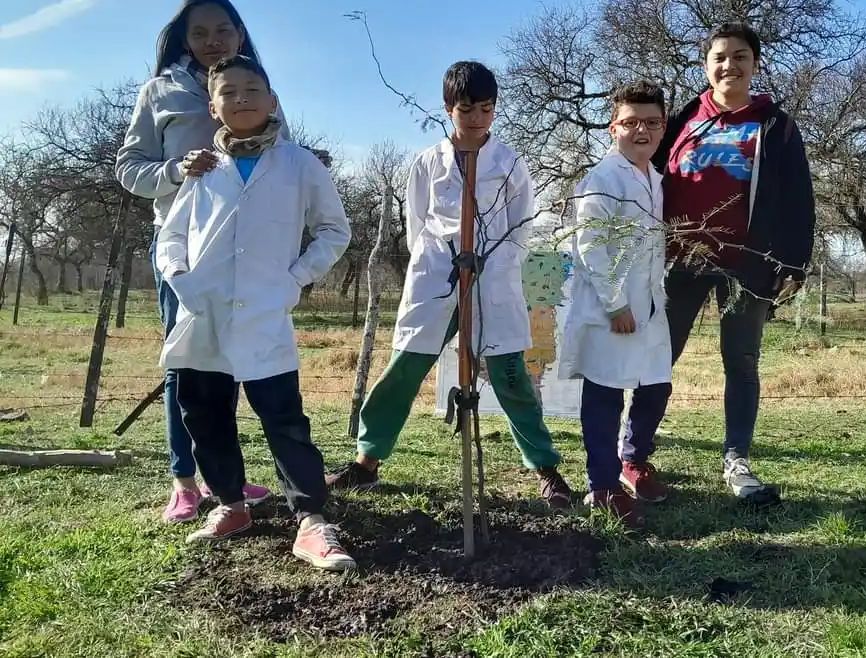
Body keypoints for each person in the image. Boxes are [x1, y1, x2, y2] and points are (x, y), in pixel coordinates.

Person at [326, 61, 573, 508]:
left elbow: (521, 225)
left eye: (486, 108)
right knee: (404, 368)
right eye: (466, 108)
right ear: (448, 109)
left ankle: (544, 467)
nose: (477, 117)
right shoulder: (427, 164)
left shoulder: (509, 162)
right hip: (437, 278)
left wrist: (490, 263)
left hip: (493, 280)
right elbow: (418, 223)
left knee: (511, 375)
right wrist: (444, 259)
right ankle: (367, 462)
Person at [156, 54, 355, 571]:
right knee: (204, 415)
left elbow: (335, 230)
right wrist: (180, 279)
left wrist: (294, 279)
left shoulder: (298, 163)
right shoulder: (203, 167)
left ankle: (311, 521)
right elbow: (171, 235)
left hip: (266, 311)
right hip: (203, 314)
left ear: (273, 102)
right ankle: (230, 504)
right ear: (214, 108)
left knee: (284, 418)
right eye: (228, 92)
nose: (240, 98)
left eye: (251, 89)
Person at [116, 0, 287, 523]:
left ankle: (225, 479)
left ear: (239, 34)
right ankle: (184, 482)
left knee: (232, 361)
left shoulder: (254, 85)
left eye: (223, 30)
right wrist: (173, 171)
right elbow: (129, 168)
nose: (212, 41)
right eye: (200, 33)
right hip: (184, 250)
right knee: (186, 364)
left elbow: (275, 154)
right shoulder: (159, 91)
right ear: (183, 40)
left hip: (249, 251)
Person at [652, 22, 815, 500]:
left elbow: (798, 198)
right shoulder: (682, 120)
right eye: (720, 57)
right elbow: (647, 172)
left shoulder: (776, 126)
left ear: (755, 64)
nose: (730, 65)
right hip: (683, 259)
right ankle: (635, 448)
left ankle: (737, 461)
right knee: (660, 355)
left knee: (741, 361)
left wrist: (794, 262)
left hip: (748, 263)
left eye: (740, 56)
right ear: (706, 66)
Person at [558, 81, 672, 525]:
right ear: (613, 128)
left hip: (649, 305)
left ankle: (632, 462)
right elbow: (590, 247)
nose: (641, 130)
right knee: (605, 393)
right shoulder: (602, 178)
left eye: (651, 122)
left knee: (655, 385)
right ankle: (601, 486)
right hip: (614, 310)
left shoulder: (654, 178)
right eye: (630, 122)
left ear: (663, 127)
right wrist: (615, 304)